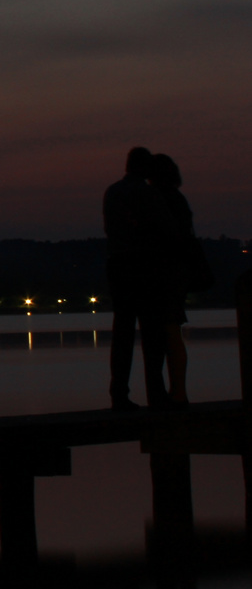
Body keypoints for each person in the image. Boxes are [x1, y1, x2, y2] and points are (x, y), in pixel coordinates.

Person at [102, 146, 169, 409]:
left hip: (117, 265)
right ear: (144, 168)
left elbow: (110, 228)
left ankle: (119, 392)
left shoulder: (113, 192)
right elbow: (164, 229)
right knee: (152, 333)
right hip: (144, 265)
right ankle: (157, 393)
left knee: (123, 332)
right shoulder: (147, 194)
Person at [149, 153, 193, 407]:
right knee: (172, 330)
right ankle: (178, 391)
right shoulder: (178, 200)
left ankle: (177, 392)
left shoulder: (161, 200)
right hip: (178, 272)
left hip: (166, 273)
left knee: (169, 331)